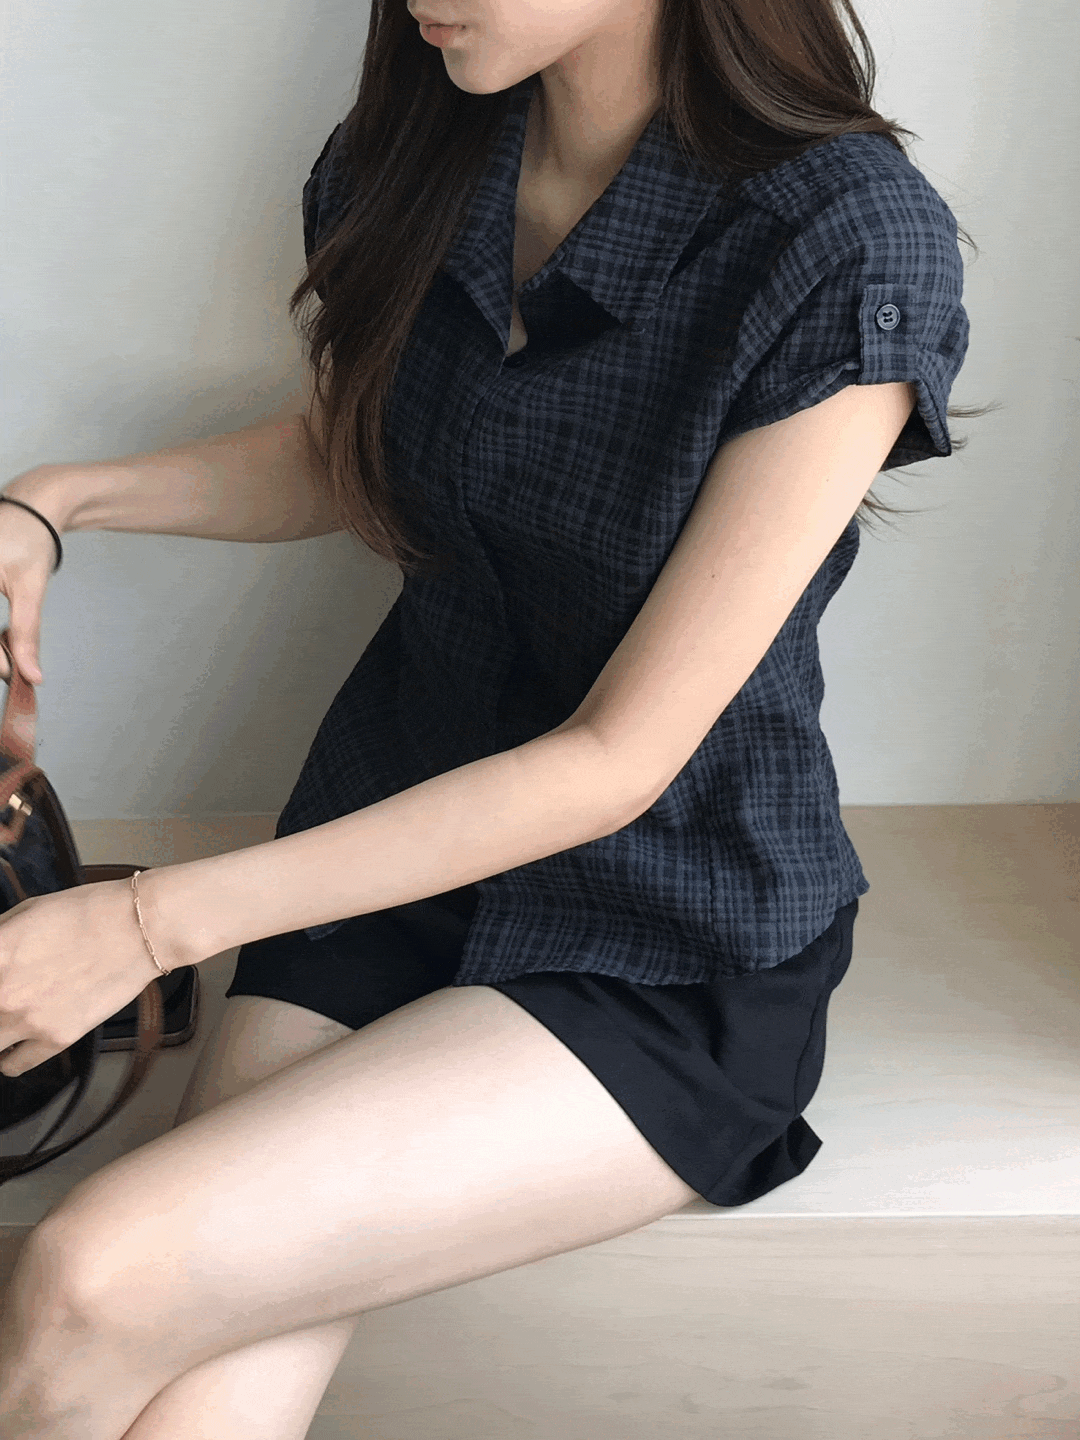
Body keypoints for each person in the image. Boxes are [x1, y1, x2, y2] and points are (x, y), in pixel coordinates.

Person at [0, 0, 973, 1433]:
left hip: (667, 929)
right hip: (380, 859)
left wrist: (146, 926)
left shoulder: (845, 235)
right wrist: (56, 502)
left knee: (92, 1275)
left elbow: (615, 761)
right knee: (174, 1345)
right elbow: (368, 450)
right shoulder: (419, 149)